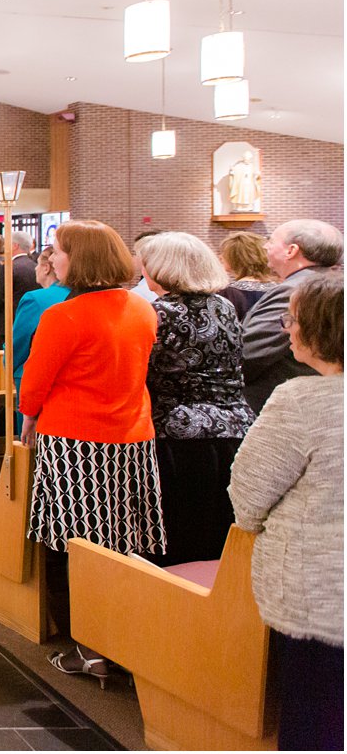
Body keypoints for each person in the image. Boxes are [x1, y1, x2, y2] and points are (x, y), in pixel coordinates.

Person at [19, 220, 164, 685]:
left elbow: (33, 390)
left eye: (57, 251)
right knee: (121, 546)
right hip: (131, 439)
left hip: (74, 445)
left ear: (78, 259)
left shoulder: (64, 316)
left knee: (69, 546)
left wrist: (28, 414)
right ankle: (123, 640)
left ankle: (87, 648)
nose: (52, 259)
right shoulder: (142, 310)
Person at [229, 272, 343, 752]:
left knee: (315, 722)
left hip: (322, 594)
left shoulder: (302, 400)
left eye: (292, 320)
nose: (286, 329)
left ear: (321, 330)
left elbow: (249, 495)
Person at [138, 232, 255, 565]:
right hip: (235, 427)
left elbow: (143, 372)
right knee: (220, 537)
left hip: (180, 433)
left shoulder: (157, 312)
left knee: (182, 540)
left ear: (162, 268)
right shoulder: (224, 306)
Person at [241, 219, 343, 411]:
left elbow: (250, 351)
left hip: (285, 403)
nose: (265, 245)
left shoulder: (296, 290)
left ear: (291, 250)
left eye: (271, 240)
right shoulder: (325, 281)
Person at [10, 247, 70, 431]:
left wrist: (9, 365)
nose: (35, 269)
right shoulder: (78, 294)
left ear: (46, 268)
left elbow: (18, 343)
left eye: (37, 265)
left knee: (30, 439)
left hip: (32, 375)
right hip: (66, 382)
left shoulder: (36, 299)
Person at [0, 230, 39, 345]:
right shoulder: (35, 266)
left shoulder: (8, 267)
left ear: (15, 246)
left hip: (9, 322)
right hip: (30, 321)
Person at [217, 230, 276, 321]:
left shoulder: (228, 294)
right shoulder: (280, 289)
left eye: (224, 253)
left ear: (237, 258)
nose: (220, 257)